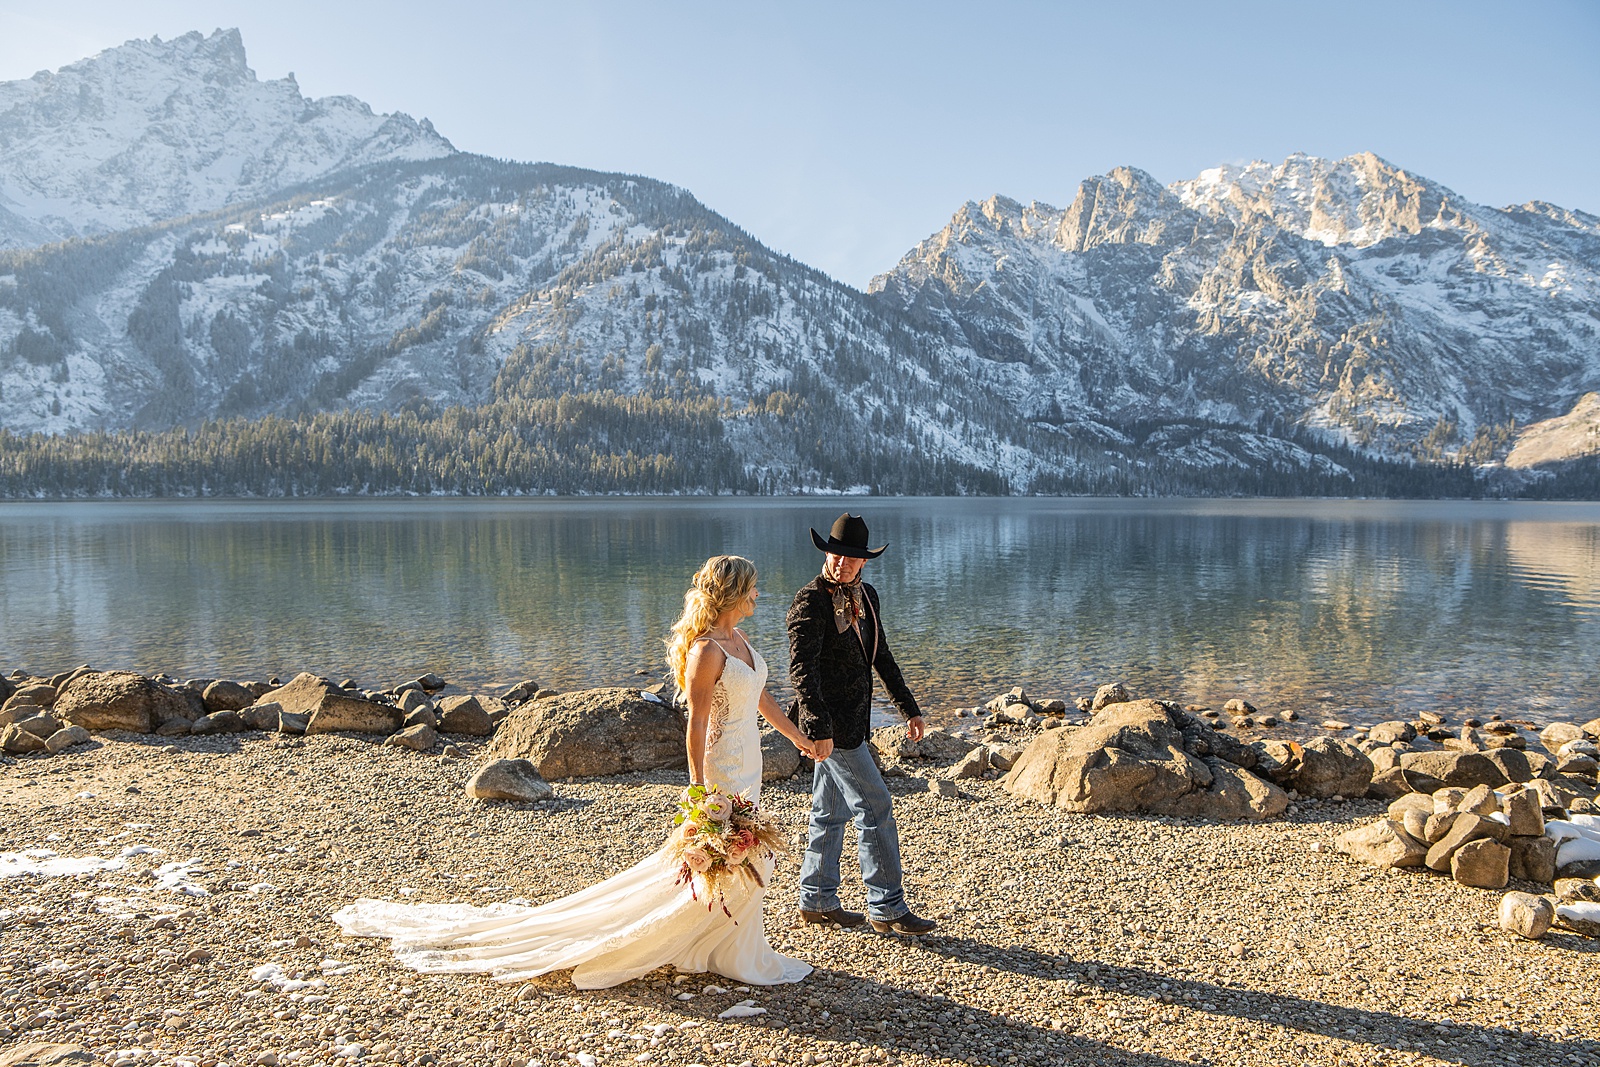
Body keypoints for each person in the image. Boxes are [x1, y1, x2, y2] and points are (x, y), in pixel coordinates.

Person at [333, 555, 814, 988]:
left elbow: (760, 697)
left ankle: (727, 945)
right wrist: (697, 789)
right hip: (721, 765)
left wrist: (797, 738)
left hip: (749, 763)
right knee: (727, 854)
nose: (758, 594)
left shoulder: (740, 640)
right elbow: (697, 722)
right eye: (753, 587)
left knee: (745, 855)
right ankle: (710, 947)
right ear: (733, 592)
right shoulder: (707, 651)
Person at [787, 513, 937, 935]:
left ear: (864, 562)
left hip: (856, 721)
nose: (842, 563)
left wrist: (908, 708)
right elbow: (802, 672)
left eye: (851, 558)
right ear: (827, 554)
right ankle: (887, 906)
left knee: (829, 811)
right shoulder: (809, 601)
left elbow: (880, 656)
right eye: (837, 555)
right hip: (831, 728)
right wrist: (818, 729)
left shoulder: (867, 596)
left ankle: (816, 900)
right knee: (876, 807)